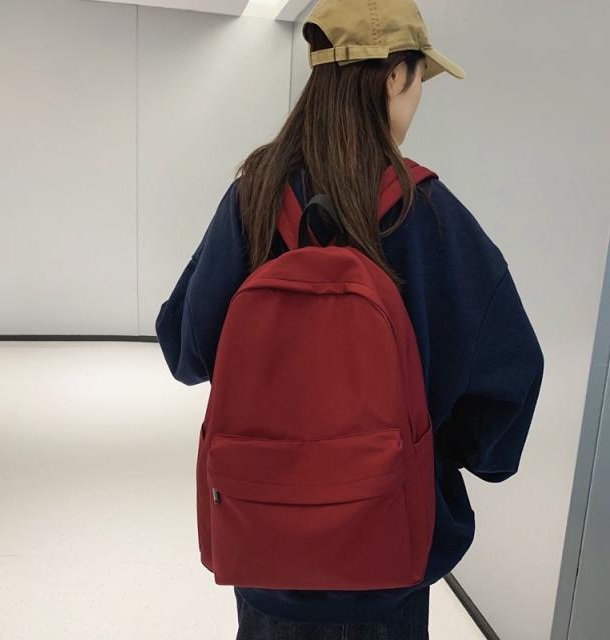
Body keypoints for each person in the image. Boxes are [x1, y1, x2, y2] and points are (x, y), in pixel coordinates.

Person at [155, 0, 545, 637]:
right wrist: (431, 452)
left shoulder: (254, 196)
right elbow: (510, 378)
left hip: (265, 544)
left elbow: (185, 349)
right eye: (419, 77)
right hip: (388, 558)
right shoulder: (429, 214)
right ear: (393, 75)